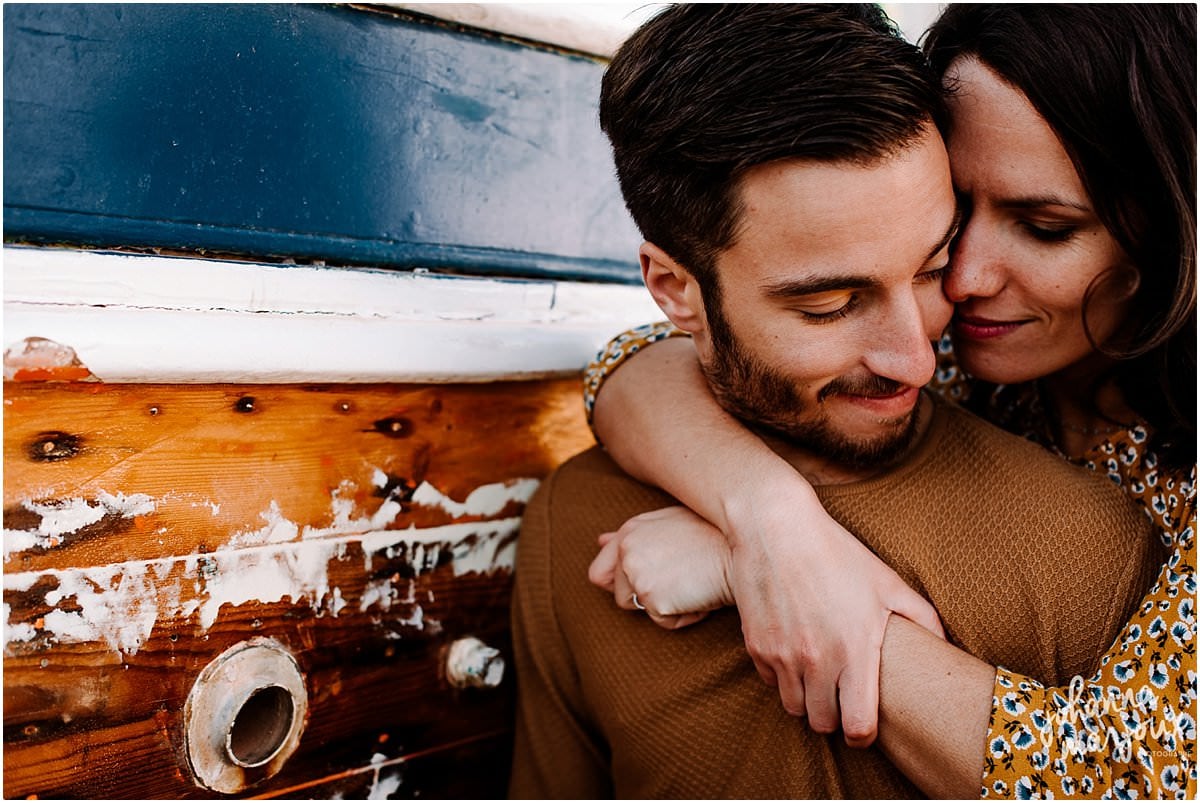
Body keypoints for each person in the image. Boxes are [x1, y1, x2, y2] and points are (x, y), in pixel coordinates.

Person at [508, 5, 1160, 798]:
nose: (922, 348)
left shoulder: (1099, 550)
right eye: (830, 303)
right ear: (673, 289)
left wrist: (774, 579)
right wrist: (770, 519)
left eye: (1044, 225)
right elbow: (633, 360)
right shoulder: (574, 523)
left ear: (1158, 232)